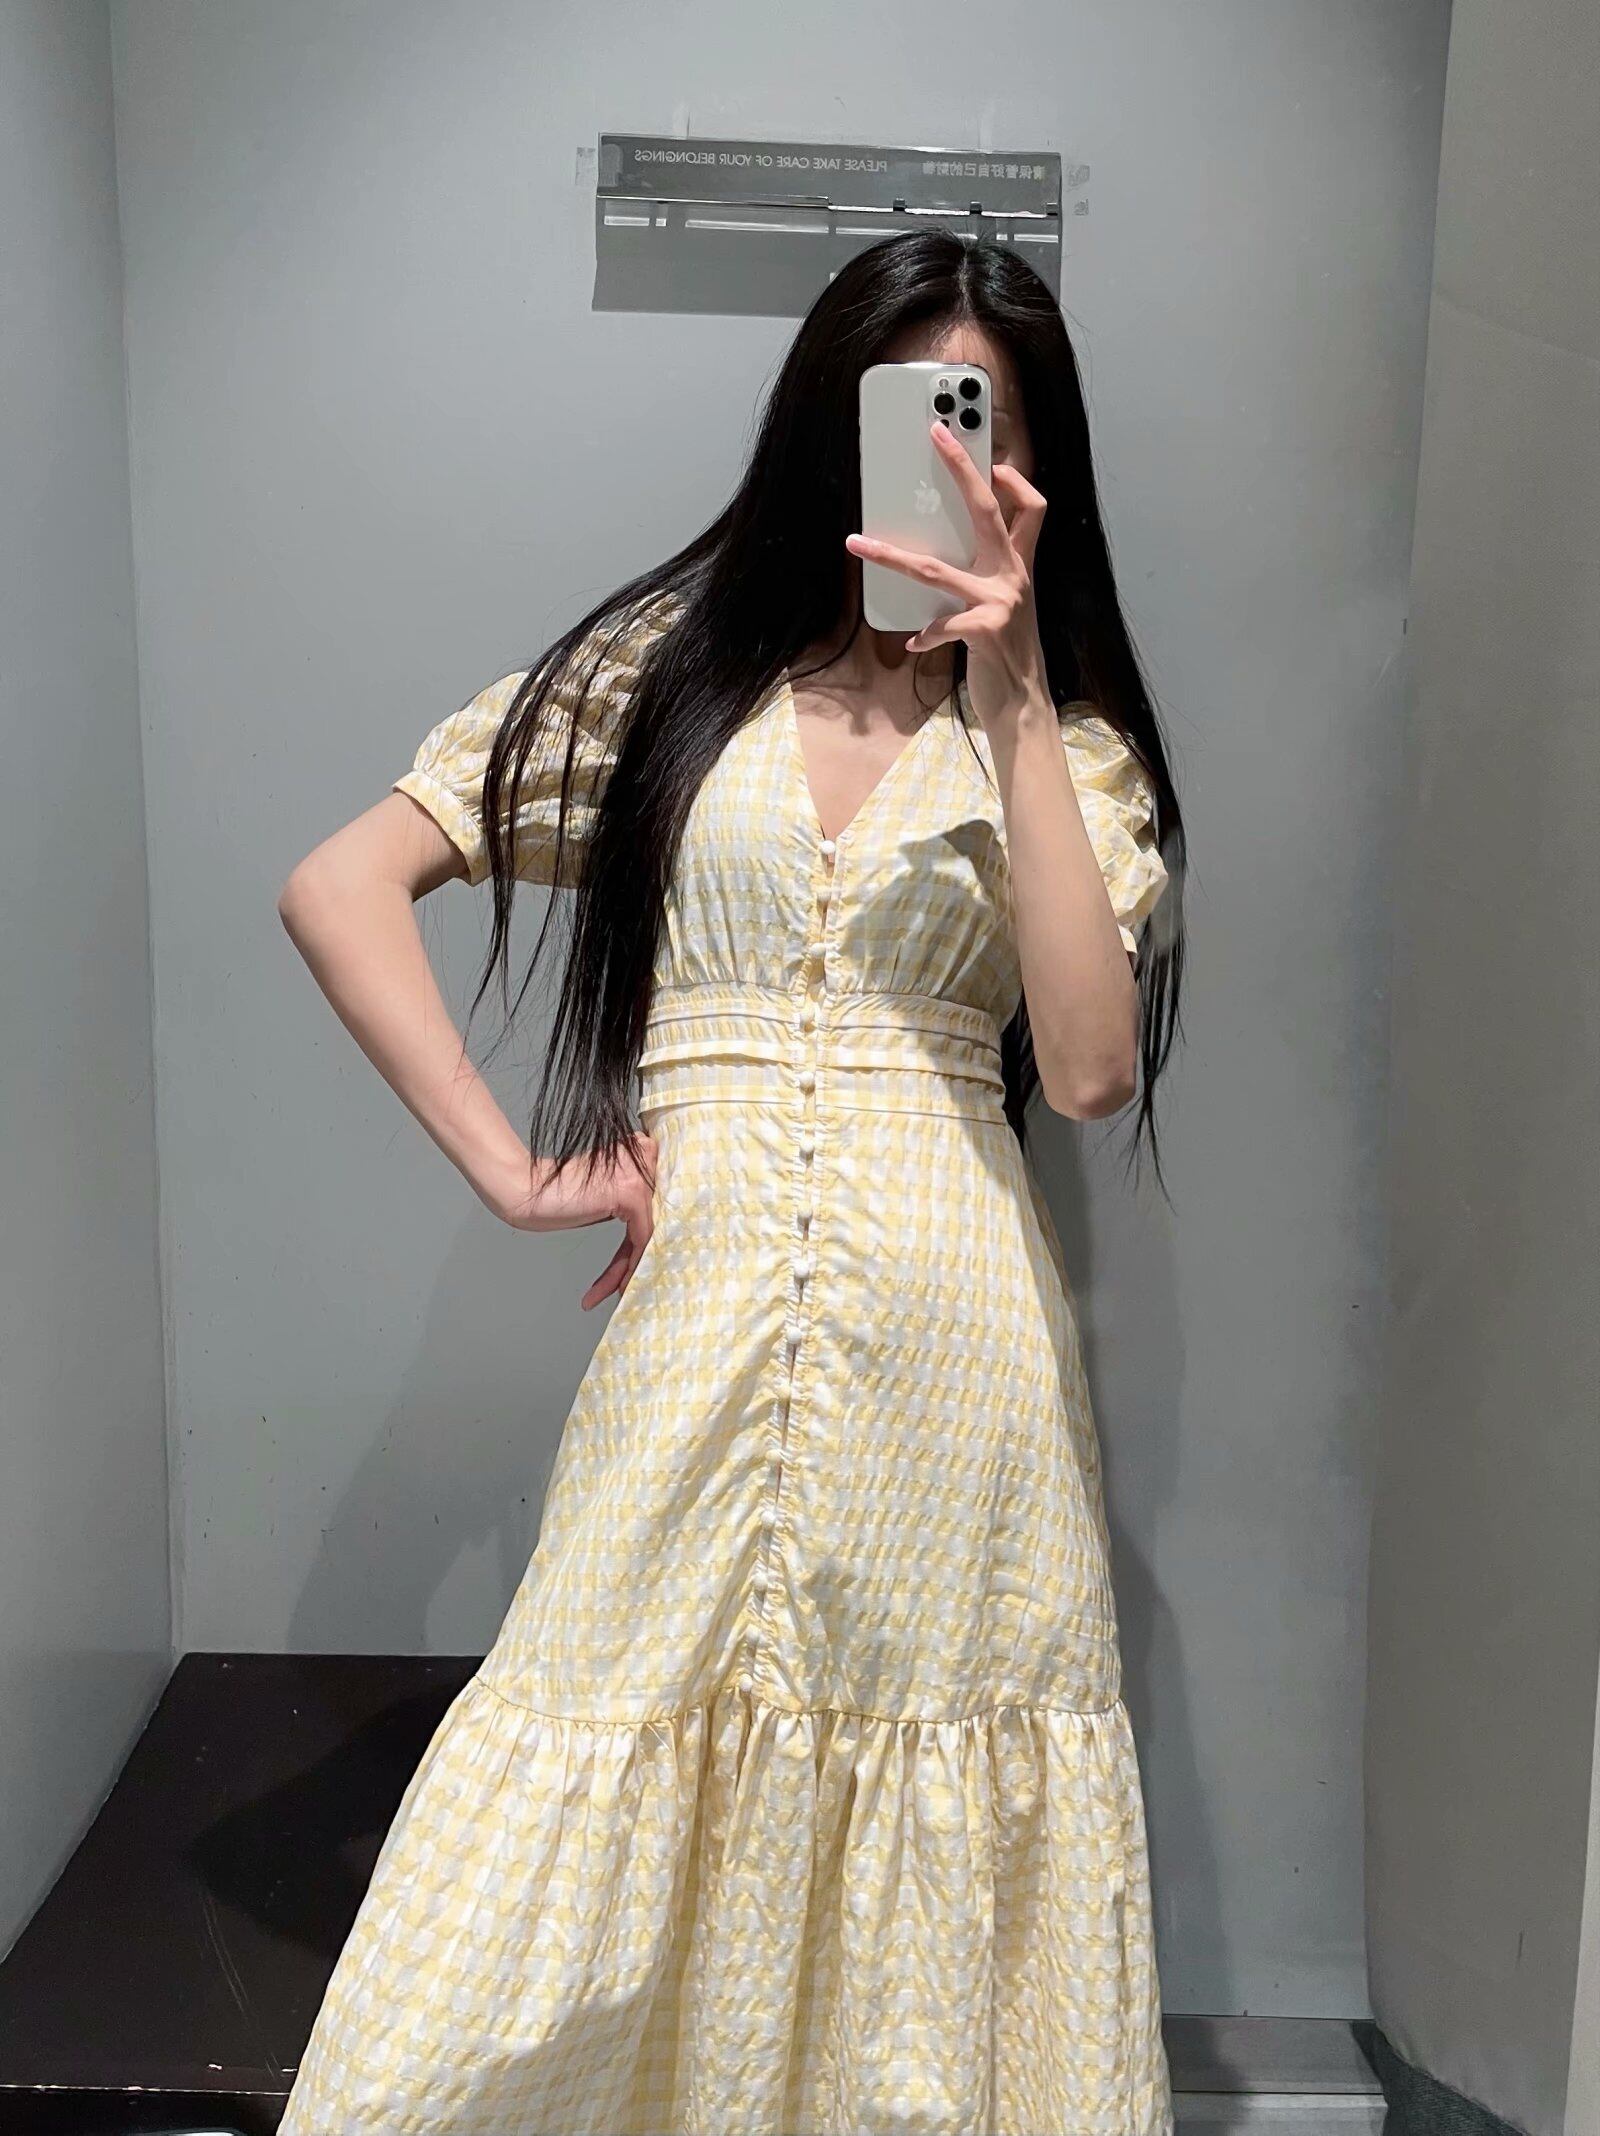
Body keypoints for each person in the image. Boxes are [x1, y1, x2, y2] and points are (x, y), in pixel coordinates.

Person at [275, 228, 1186, 2136]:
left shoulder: (1071, 755)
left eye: (982, 427)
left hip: (959, 1392)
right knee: (561, 1820)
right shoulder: (669, 689)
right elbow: (343, 882)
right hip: (690, 1365)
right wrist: (515, 1168)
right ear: (824, 429)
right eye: (909, 415)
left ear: (1037, 465)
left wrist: (1013, 694)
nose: (943, 464)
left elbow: (1092, 1069)